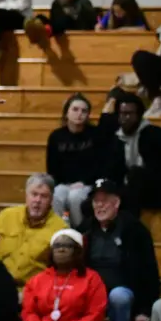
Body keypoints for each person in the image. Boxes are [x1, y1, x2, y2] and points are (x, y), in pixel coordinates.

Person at [79, 178, 159, 321]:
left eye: (104, 200)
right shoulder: (85, 229)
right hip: (91, 293)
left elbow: (149, 271)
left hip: (122, 295)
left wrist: (145, 310)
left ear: (117, 203)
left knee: (119, 296)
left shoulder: (135, 230)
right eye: (96, 201)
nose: (99, 206)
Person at [18, 229, 106, 321]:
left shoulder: (92, 279)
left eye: (67, 246)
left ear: (77, 251)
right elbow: (29, 312)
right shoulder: (38, 280)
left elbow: (95, 315)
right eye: (57, 246)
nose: (61, 249)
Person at [0, 173, 68, 288]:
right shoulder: (6, 216)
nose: (37, 200)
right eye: (34, 194)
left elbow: (61, 273)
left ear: (51, 199)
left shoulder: (60, 229)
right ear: (26, 195)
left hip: (33, 290)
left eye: (44, 196)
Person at [46, 94, 102, 226]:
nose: (79, 114)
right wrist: (63, 183)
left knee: (75, 197)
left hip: (87, 184)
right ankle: (61, 231)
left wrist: (84, 182)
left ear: (88, 115)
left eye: (84, 111)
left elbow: (100, 165)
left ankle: (80, 232)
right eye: (75, 109)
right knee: (57, 195)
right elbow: (52, 168)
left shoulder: (96, 134)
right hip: (64, 184)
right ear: (66, 113)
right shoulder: (56, 136)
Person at [23, 0, 98, 44]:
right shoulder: (57, 3)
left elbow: (91, 23)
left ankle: (46, 31)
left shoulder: (84, 2)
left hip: (74, 32)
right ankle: (37, 31)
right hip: (57, 31)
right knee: (40, 17)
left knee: (65, 19)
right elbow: (53, 20)